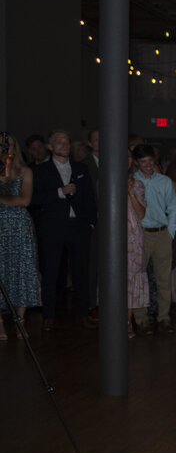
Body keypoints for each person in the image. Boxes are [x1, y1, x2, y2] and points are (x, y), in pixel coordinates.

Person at [32, 129, 97, 330]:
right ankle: (49, 315)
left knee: (81, 271)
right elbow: (33, 199)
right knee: (51, 271)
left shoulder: (81, 168)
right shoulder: (40, 171)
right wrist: (59, 192)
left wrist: (91, 223)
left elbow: (89, 198)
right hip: (53, 228)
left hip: (78, 227)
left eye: (67, 142)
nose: (64, 145)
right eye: (59, 142)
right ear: (50, 146)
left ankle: (82, 313)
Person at [132, 143, 176, 331]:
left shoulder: (164, 181)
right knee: (139, 277)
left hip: (161, 233)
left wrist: (171, 231)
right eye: (143, 161)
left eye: (150, 161)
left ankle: (163, 317)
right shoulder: (132, 181)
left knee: (163, 278)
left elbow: (173, 207)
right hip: (141, 233)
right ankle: (141, 319)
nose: (148, 165)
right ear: (137, 163)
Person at [0, 135, 40, 340]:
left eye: (8, 145)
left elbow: (24, 200)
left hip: (18, 227)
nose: (4, 148)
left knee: (21, 269)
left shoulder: (25, 171)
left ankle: (20, 321)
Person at [125, 159, 149, 338]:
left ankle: (127, 322)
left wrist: (130, 192)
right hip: (114, 236)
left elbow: (141, 214)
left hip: (133, 237)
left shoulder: (138, 184)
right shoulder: (106, 180)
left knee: (132, 280)